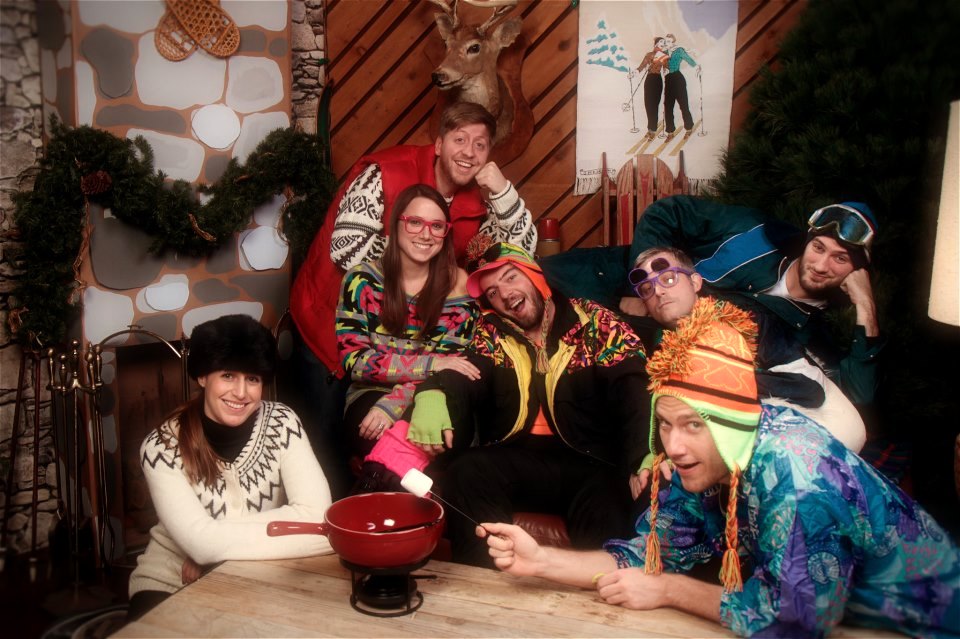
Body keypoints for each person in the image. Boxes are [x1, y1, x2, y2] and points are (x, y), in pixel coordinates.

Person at [478, 300, 960, 638]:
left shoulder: (797, 473)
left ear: (731, 422)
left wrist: (670, 591)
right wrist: (542, 562)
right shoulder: (701, 462)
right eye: (665, 424)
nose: (674, 446)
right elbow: (650, 556)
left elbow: (795, 620)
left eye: (694, 424)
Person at [288, 101, 537, 497]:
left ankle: (382, 498)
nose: (469, 152)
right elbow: (347, 246)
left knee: (410, 440)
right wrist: (419, 258)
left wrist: (503, 192)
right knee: (325, 443)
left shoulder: (477, 210)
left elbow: (519, 255)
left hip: (418, 333)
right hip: (330, 320)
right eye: (460, 140)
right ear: (438, 144)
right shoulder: (384, 173)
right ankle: (339, 516)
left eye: (480, 145)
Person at [405, 238, 651, 567]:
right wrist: (433, 392)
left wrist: (645, 453)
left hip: (590, 462)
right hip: (517, 457)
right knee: (466, 472)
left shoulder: (595, 322)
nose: (505, 294)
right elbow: (468, 373)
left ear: (534, 274)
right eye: (493, 292)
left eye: (511, 277)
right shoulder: (493, 333)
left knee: (612, 495)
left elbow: (634, 387)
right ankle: (481, 585)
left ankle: (595, 592)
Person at [127, 315, 332, 620]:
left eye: (253, 379)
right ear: (202, 377)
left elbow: (321, 524)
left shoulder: (282, 423)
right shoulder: (161, 447)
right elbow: (202, 545)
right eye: (227, 375)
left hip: (256, 574)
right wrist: (203, 546)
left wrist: (213, 547)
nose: (241, 392)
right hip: (171, 580)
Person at [626, 196, 884, 410]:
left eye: (840, 259)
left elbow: (856, 395)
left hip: (683, 362)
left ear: (855, 272)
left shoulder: (818, 329)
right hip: (633, 290)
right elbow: (665, 213)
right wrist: (648, 290)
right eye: (818, 247)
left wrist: (866, 305)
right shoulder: (756, 234)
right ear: (807, 242)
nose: (821, 265)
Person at [625, 247, 866, 451]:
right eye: (647, 289)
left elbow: (809, 389)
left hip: (823, 433)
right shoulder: (657, 355)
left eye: (669, 279)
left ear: (695, 282)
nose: (658, 291)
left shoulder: (748, 319)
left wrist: (719, 379)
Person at [335, 184, 480, 486]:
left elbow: (450, 372)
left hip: (433, 395)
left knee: (433, 434)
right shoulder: (361, 281)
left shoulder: (459, 291)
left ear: (446, 233)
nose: (426, 234)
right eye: (415, 222)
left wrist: (395, 402)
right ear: (396, 224)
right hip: (369, 393)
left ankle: (371, 489)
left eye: (437, 226)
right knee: (379, 434)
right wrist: (431, 364)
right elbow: (356, 361)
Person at [662, 34, 699, 139]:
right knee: (668, 106)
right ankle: (670, 131)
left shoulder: (679, 51)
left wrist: (697, 67)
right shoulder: (664, 53)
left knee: (683, 105)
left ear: (673, 42)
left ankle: (689, 128)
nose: (666, 43)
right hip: (668, 80)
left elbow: (689, 59)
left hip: (678, 79)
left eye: (669, 41)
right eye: (665, 41)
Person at [631, 36, 669, 140]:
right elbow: (642, 66)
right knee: (648, 105)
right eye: (661, 42)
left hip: (657, 80)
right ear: (656, 43)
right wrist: (634, 73)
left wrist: (666, 71)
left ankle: (652, 130)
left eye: (664, 42)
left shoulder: (664, 56)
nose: (663, 43)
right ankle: (650, 128)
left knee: (654, 105)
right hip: (649, 80)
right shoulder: (649, 55)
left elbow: (666, 68)